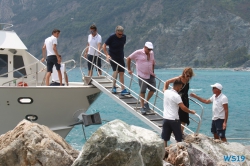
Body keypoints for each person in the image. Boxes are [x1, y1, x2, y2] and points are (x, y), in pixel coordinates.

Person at [162, 79, 196, 147]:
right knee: (178, 138)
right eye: (180, 87)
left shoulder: (166, 92)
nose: (181, 89)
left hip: (165, 118)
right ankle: (178, 151)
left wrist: (168, 82)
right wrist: (191, 111)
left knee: (165, 138)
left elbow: (166, 84)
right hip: (174, 120)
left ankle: (164, 151)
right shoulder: (177, 96)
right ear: (177, 87)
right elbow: (183, 107)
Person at [163, 67, 195, 136]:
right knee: (177, 115)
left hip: (185, 100)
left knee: (184, 117)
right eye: (186, 74)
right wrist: (165, 90)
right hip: (178, 99)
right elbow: (167, 82)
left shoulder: (188, 80)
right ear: (184, 73)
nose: (187, 76)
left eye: (189, 75)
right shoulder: (179, 78)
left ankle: (181, 132)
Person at [127, 42, 156, 115]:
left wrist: (153, 71)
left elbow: (153, 62)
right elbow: (129, 58)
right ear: (145, 47)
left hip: (150, 74)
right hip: (142, 75)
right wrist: (129, 69)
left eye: (150, 49)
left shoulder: (151, 53)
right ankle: (142, 107)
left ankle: (146, 102)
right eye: (148, 49)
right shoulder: (138, 52)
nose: (149, 50)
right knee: (143, 91)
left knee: (153, 89)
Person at [102, 25, 130, 95]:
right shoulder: (112, 37)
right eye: (119, 34)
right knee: (116, 70)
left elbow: (123, 45)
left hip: (120, 56)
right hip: (113, 56)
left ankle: (123, 89)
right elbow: (104, 46)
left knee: (121, 72)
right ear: (116, 32)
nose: (120, 35)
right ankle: (113, 87)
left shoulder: (124, 37)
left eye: (121, 34)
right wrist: (107, 55)